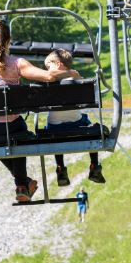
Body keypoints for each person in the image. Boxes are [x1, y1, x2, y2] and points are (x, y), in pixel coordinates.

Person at [0, 19, 71, 202]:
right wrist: (70, 72)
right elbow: (49, 77)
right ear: (8, 41)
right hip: (9, 128)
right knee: (17, 133)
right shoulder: (17, 64)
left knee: (1, 134)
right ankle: (21, 184)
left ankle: (23, 183)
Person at [40, 48, 106, 187]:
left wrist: (51, 72)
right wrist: (71, 72)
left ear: (58, 64)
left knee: (53, 131)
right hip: (77, 125)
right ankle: (94, 165)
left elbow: (51, 74)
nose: (47, 70)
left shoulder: (47, 82)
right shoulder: (76, 78)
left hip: (54, 129)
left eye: (48, 66)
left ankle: (60, 168)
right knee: (89, 124)